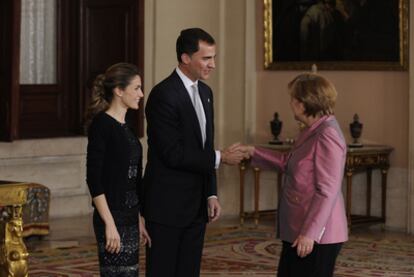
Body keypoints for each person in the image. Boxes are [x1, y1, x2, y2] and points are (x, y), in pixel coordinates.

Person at [143, 28, 245, 277]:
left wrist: (211, 193)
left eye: (214, 58)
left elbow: (204, 146)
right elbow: (172, 154)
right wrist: (222, 158)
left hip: (196, 207)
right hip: (166, 207)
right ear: (186, 58)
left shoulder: (206, 93)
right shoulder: (163, 95)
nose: (213, 65)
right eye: (206, 58)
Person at [237, 73, 348, 277]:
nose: (290, 103)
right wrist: (253, 151)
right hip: (299, 227)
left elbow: (328, 190)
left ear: (304, 103)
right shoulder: (311, 130)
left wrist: (310, 233)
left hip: (317, 235)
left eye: (293, 98)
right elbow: (289, 162)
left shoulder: (327, 134)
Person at [85, 62, 151, 276]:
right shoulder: (102, 125)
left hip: (130, 219)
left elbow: (134, 181)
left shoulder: (127, 129)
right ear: (119, 91)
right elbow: (94, 179)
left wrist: (139, 219)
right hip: (111, 218)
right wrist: (109, 224)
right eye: (136, 88)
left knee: (130, 272)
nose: (141, 94)